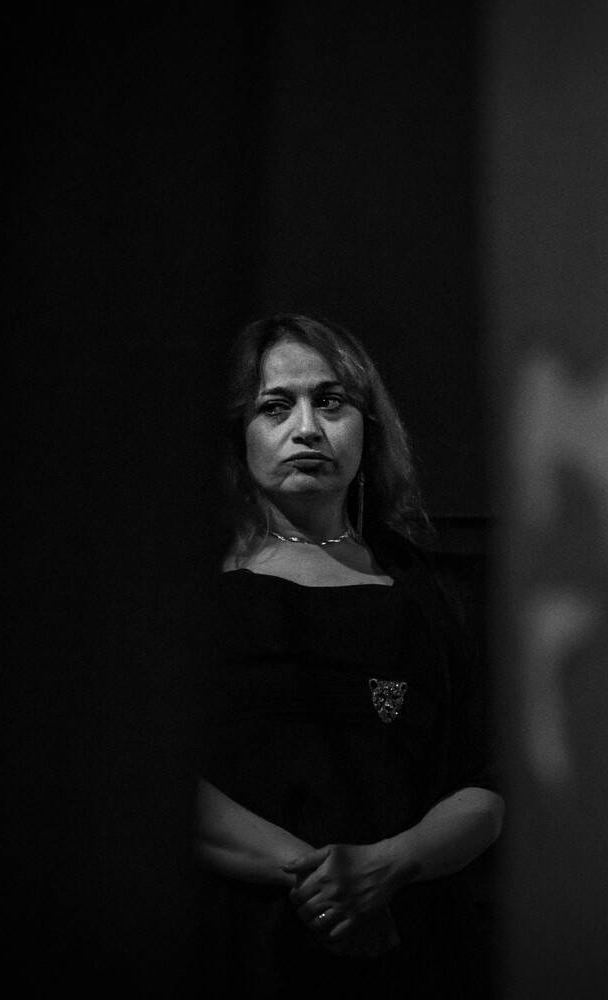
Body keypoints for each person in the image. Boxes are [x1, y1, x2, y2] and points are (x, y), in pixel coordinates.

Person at [195, 313, 503, 997]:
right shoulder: (195, 591)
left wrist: (388, 866)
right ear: (238, 430)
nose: (307, 428)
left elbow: (483, 787)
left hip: (412, 943)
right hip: (242, 944)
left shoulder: (428, 594)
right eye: (276, 406)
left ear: (369, 424)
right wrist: (323, 884)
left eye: (330, 402)